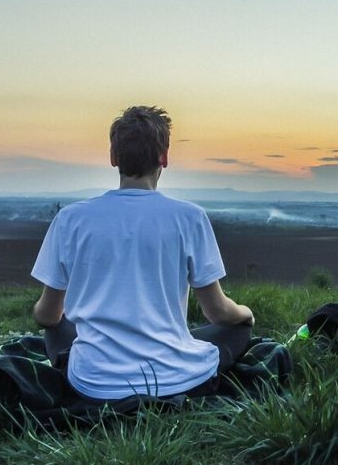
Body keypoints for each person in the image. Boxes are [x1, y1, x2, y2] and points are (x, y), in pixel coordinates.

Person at [31, 105, 254, 401]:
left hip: (93, 384)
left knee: (57, 327)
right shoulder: (190, 217)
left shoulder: (70, 219)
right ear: (164, 157)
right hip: (175, 379)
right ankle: (176, 354)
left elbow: (46, 316)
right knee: (237, 330)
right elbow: (217, 312)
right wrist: (245, 314)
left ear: (113, 157)